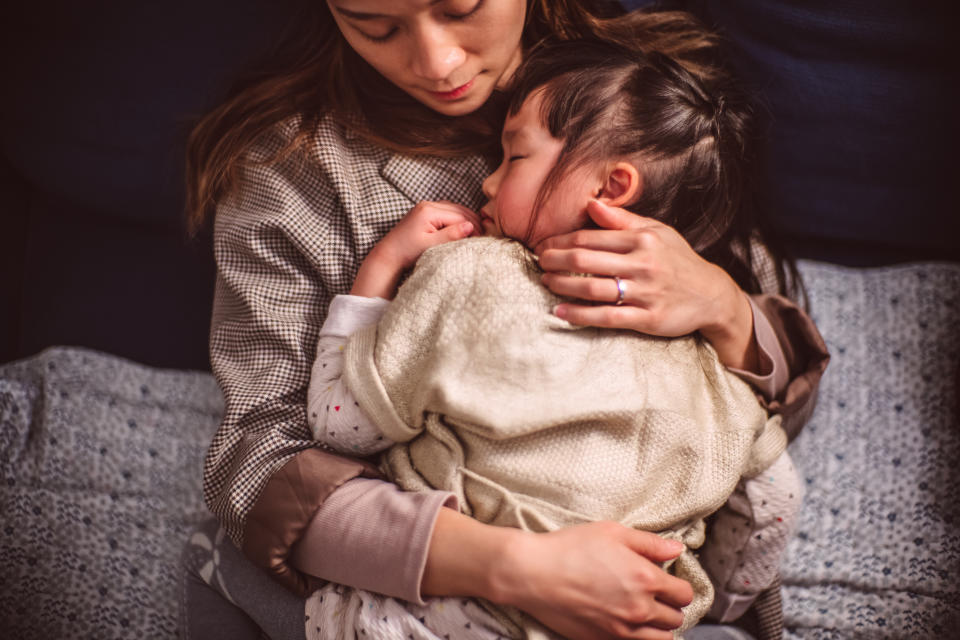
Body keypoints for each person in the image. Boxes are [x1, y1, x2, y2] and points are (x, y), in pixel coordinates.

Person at [180, 2, 829, 639]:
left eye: (462, 8)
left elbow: (761, 423)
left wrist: (721, 305)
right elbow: (259, 465)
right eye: (375, 25)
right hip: (427, 578)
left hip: (650, 585)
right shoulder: (290, 171)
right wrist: (511, 567)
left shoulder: (656, 94)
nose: (437, 62)